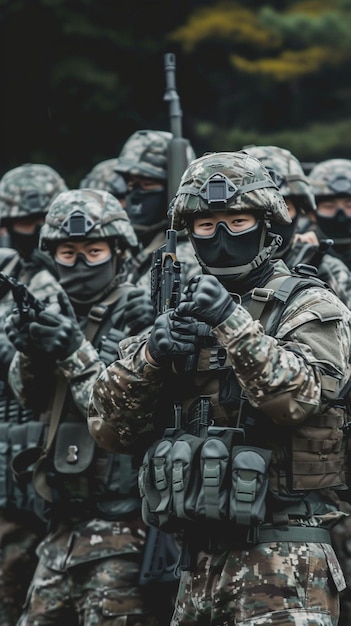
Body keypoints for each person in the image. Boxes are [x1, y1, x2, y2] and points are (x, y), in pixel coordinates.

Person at [89, 151, 351, 626]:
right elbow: (108, 430)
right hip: (196, 565)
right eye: (207, 224)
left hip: (285, 554)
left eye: (237, 219)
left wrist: (230, 323)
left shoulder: (310, 303)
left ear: (265, 224)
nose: (223, 235)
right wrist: (152, 354)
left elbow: (300, 397)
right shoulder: (178, 309)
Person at [4, 188, 162, 625]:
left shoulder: (140, 312)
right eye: (67, 252)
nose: (79, 264)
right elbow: (29, 399)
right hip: (62, 528)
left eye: (93, 251)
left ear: (118, 251)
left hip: (126, 530)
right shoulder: (57, 311)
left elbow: (122, 417)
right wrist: (32, 352)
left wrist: (74, 351)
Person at [0, 162, 67, 626]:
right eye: (27, 224)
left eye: (46, 221)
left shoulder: (73, 275)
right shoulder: (7, 268)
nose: (37, 234)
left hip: (47, 456)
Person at [243, 145, 351, 309]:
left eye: (283, 207)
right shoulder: (199, 264)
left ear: (301, 211)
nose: (271, 220)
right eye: (258, 210)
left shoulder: (327, 268)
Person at [114, 129, 201, 292]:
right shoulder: (127, 247)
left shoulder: (188, 257)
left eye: (147, 184)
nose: (135, 194)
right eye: (131, 184)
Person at [306, 158, 351, 270]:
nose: (341, 216)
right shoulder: (301, 251)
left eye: (349, 206)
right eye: (329, 206)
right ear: (312, 213)